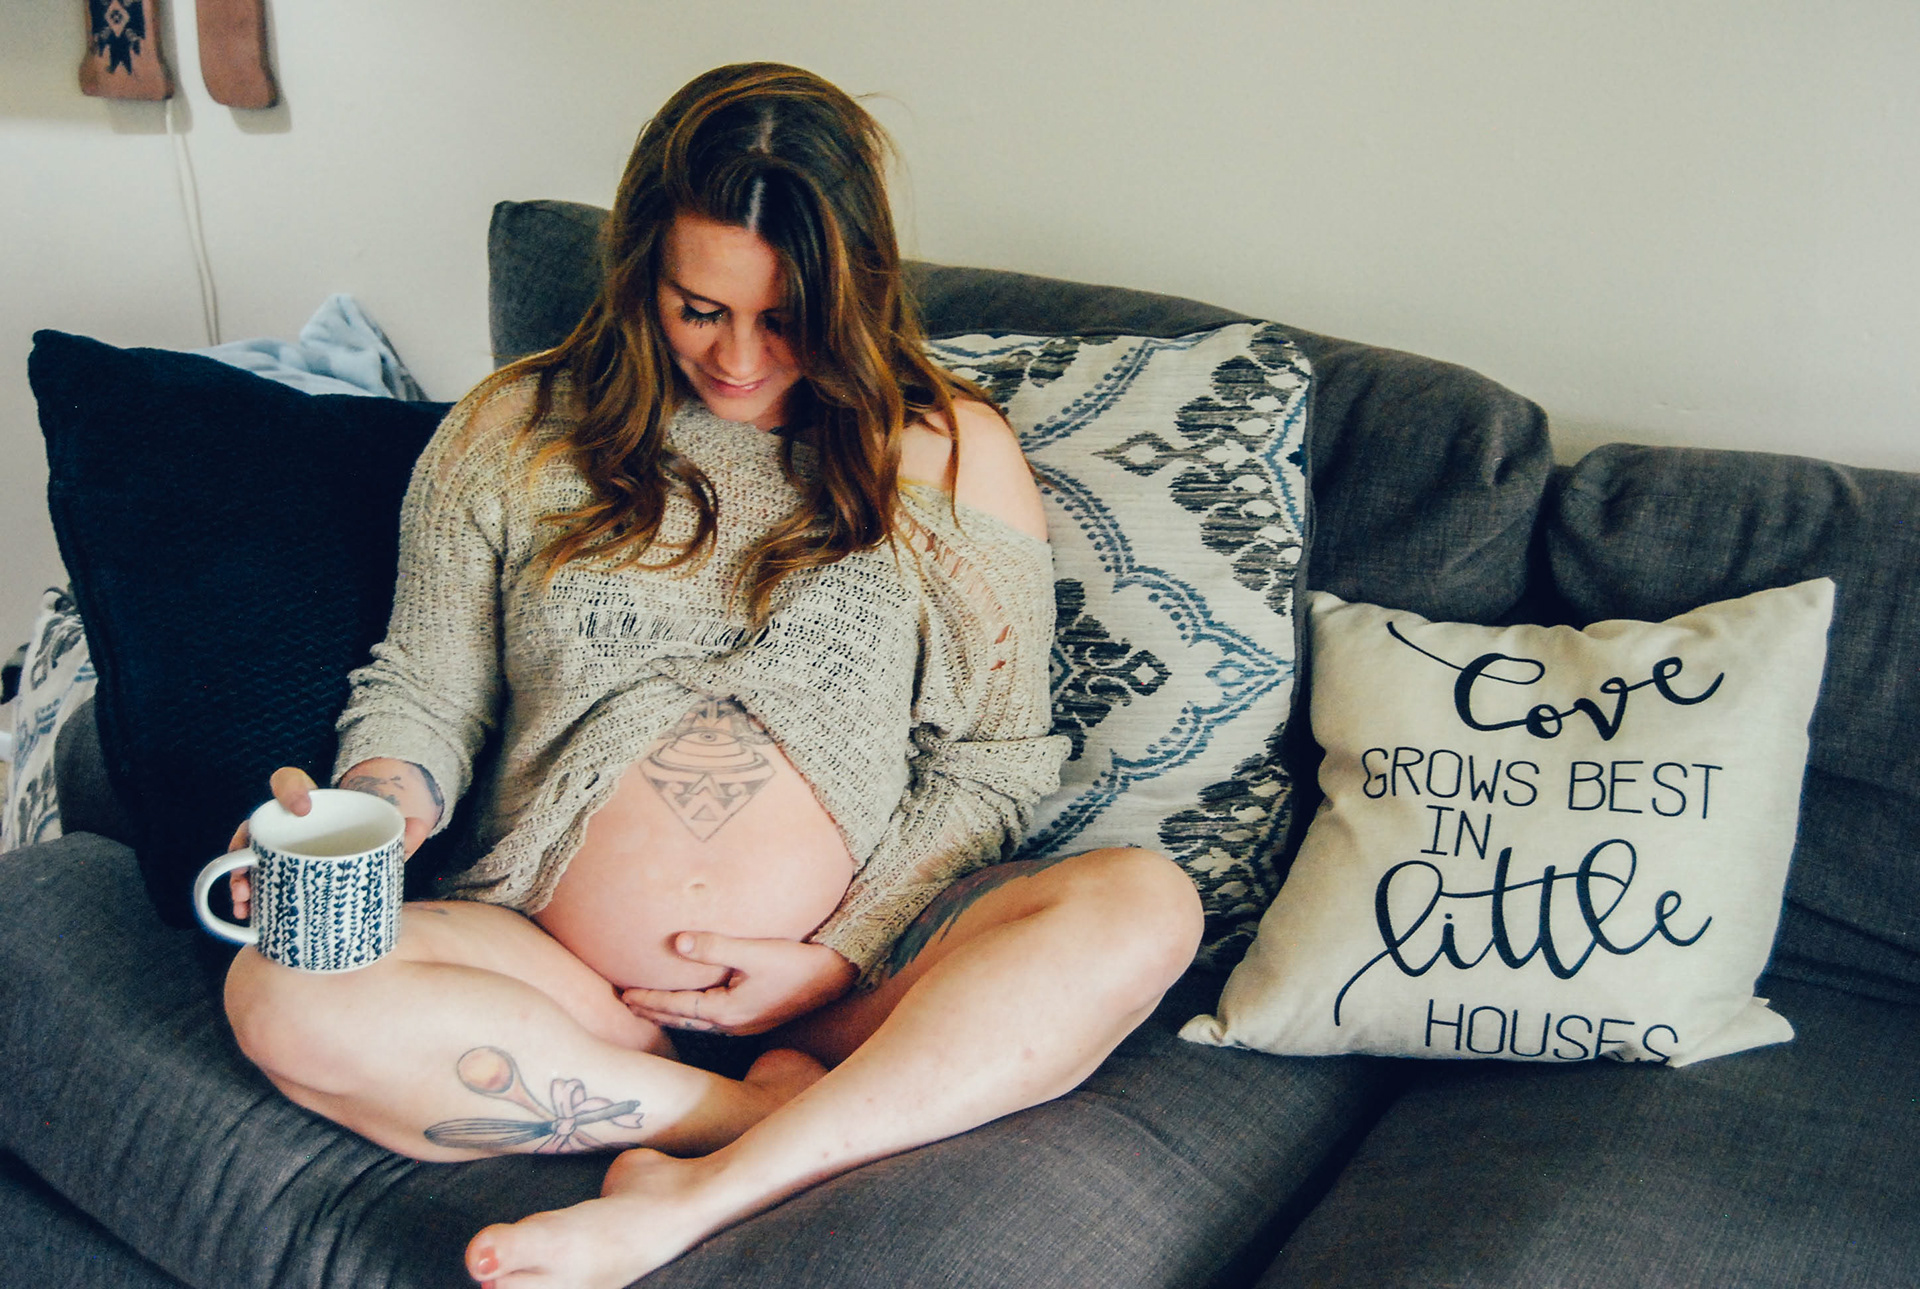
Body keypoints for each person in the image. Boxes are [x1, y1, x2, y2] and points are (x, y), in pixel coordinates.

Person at [222, 62, 1202, 1288]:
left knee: (1147, 904)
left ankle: (687, 1200)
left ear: (853, 292)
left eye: (785, 318)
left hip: (851, 985)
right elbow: (426, 685)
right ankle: (744, 1118)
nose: (739, 358)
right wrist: (373, 809)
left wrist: (840, 954)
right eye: (699, 309)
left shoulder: (944, 451)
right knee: (280, 988)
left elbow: (993, 762)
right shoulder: (512, 426)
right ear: (643, 274)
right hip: (565, 980)